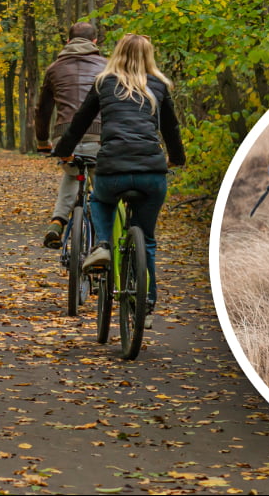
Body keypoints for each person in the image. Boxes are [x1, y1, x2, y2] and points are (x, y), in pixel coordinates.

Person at [52, 33, 185, 328]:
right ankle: (146, 303)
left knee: (99, 200)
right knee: (147, 240)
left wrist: (62, 152)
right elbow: (172, 129)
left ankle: (101, 245)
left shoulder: (104, 83)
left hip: (112, 169)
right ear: (149, 56)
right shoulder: (159, 85)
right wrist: (176, 159)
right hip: (152, 172)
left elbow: (79, 124)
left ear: (117, 53)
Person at [35, 22, 107, 249]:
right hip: (100, 139)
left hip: (65, 139)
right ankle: (103, 237)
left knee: (72, 171)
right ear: (95, 42)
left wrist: (42, 142)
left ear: (67, 42)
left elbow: (43, 111)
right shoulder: (107, 67)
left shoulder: (54, 69)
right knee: (103, 185)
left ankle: (58, 220)